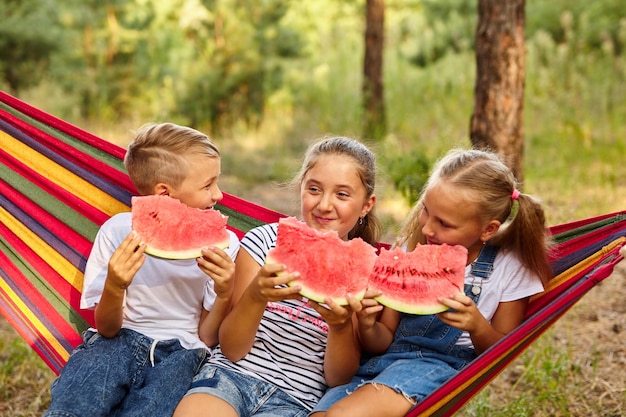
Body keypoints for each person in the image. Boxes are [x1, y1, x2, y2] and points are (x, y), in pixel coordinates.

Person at [310, 148, 554, 417]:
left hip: (435, 367)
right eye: (426, 211)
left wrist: (477, 326)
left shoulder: (509, 267)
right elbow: (382, 340)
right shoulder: (410, 251)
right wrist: (368, 326)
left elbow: (503, 351)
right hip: (376, 363)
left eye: (444, 224)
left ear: (488, 229)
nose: (427, 229)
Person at [173, 136, 383, 417]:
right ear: (301, 188)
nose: (324, 204)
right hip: (228, 377)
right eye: (314, 189)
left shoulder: (364, 269)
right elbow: (232, 349)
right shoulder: (263, 241)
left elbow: (338, 379)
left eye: (342, 195)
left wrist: (341, 326)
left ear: (367, 205)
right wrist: (256, 295)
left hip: (296, 400)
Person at [43, 123, 240, 417]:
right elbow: (108, 328)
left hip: (182, 354)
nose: (219, 195)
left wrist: (224, 292)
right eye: (207, 185)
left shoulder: (225, 245)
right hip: (116, 341)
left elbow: (207, 337)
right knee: (74, 404)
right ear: (164, 193)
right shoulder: (118, 231)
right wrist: (115, 284)